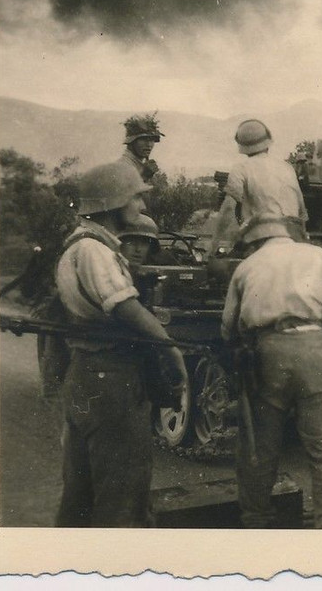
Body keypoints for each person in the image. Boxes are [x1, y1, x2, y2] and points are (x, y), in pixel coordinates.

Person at [54, 162, 188, 527]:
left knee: (79, 499)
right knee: (121, 498)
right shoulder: (95, 250)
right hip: (111, 379)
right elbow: (125, 306)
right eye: (135, 198)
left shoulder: (78, 245)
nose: (142, 208)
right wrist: (169, 348)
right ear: (113, 201)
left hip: (84, 372)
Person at [221, 223, 322, 529]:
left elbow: (227, 327)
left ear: (254, 242)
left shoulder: (246, 267)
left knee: (260, 450)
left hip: (268, 354)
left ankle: (257, 523)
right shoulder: (320, 256)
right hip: (315, 351)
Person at [209, 119, 308, 257]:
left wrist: (213, 246)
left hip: (260, 240)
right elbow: (302, 213)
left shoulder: (241, 169)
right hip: (293, 237)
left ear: (241, 145)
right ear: (268, 141)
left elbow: (228, 209)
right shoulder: (288, 168)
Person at [118, 113, 164, 182]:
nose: (149, 144)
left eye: (152, 140)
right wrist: (143, 176)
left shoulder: (140, 165)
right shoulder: (123, 166)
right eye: (143, 139)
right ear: (132, 141)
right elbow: (122, 191)